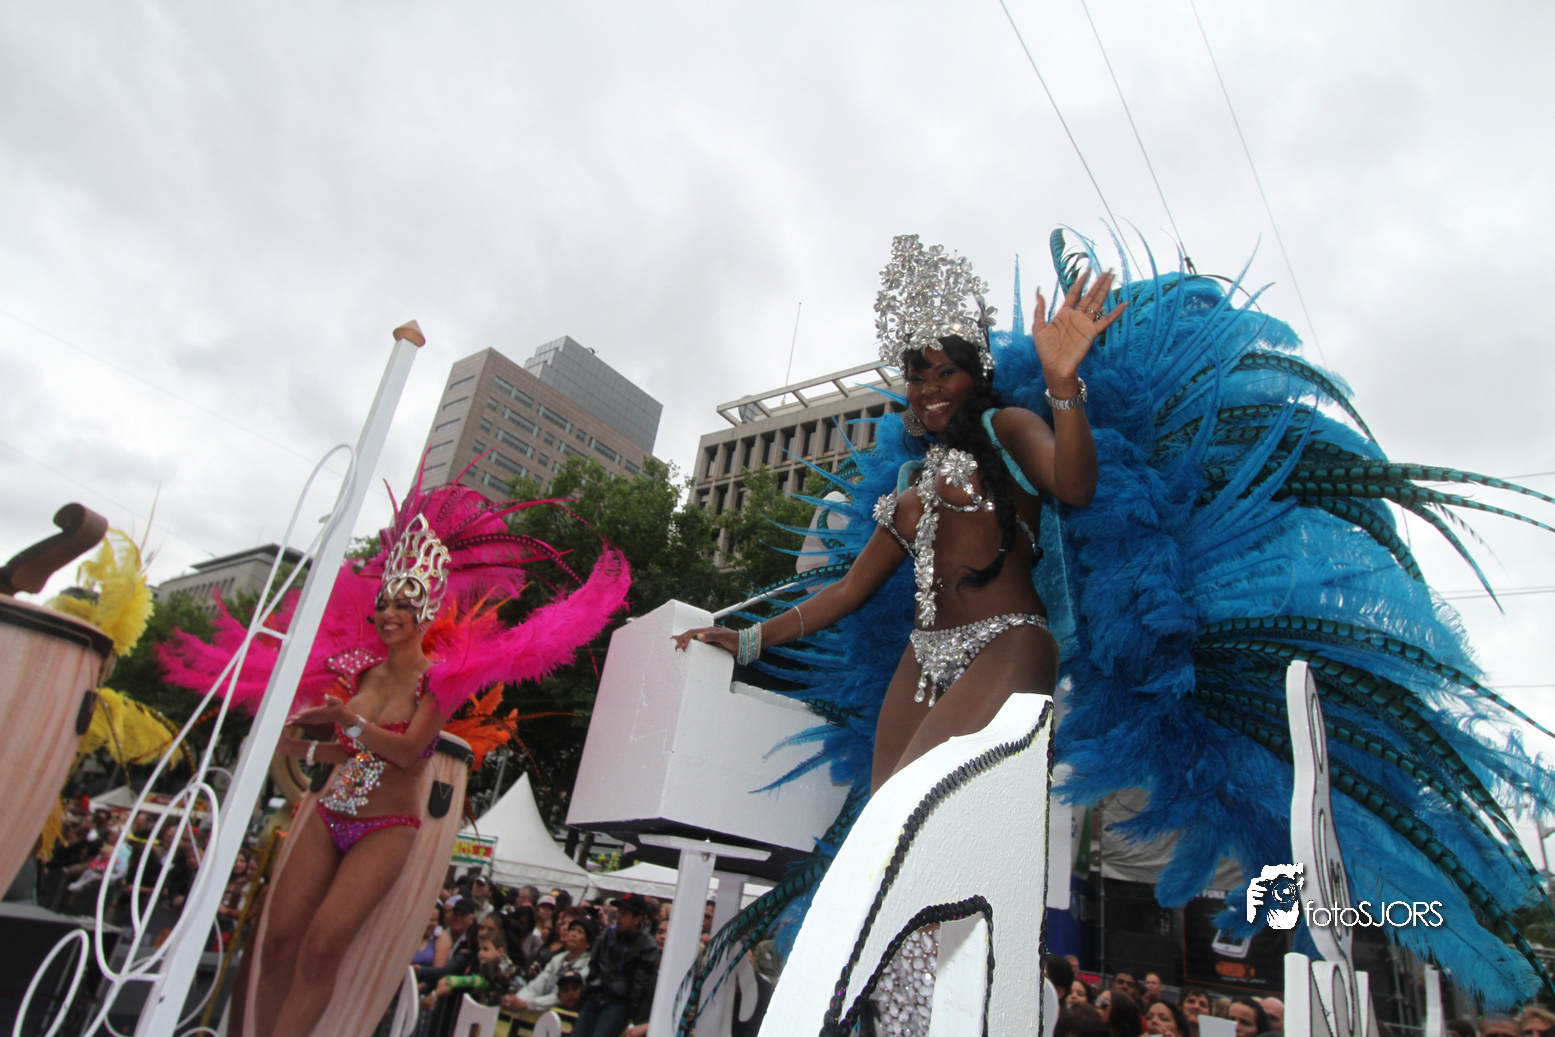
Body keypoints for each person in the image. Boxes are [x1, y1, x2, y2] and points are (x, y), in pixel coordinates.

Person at [675, 236, 1122, 790]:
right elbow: (847, 591)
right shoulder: (911, 483)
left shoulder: (1008, 427)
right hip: (922, 660)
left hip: (1007, 643)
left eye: (944, 372)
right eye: (916, 377)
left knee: (923, 805)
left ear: (976, 374)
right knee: (885, 819)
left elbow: (1076, 487)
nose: (929, 389)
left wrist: (1062, 385)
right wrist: (749, 639)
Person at [573, 894, 659, 1037]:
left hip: (619, 1003)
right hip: (595, 995)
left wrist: (633, 1016)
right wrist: (586, 993)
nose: (619, 916)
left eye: (625, 913)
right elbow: (594, 966)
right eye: (619, 911)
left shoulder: (647, 946)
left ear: (638, 919)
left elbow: (641, 985)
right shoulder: (608, 933)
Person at [502, 916, 596, 1012]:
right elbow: (536, 986)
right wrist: (517, 1000)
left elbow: (561, 997)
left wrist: (527, 1004)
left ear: (588, 944)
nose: (574, 934)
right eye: (572, 929)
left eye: (580, 932)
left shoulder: (588, 966)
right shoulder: (557, 959)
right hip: (541, 1009)